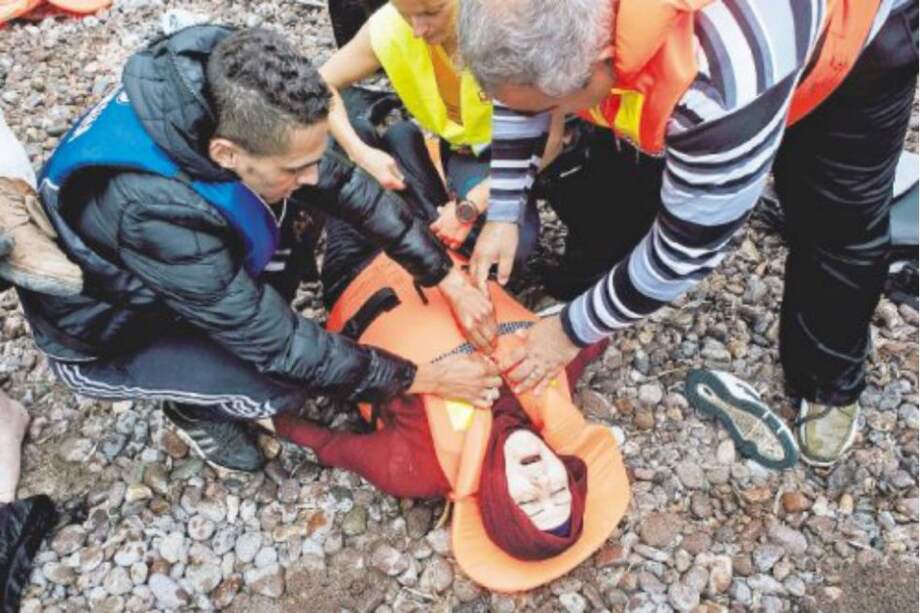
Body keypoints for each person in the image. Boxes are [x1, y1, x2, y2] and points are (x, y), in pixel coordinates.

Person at [16, 25, 505, 474]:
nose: (313, 176)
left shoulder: (240, 78)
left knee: (300, 210)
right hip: (111, 327)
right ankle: (194, 409)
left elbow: (345, 187)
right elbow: (280, 347)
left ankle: (242, 288)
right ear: (225, 153)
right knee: (280, 383)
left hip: (182, 257)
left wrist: (446, 278)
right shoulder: (151, 211)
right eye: (295, 168)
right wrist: (421, 378)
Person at [457, 0, 918, 466]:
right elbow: (520, 86)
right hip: (695, 64)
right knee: (630, 165)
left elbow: (685, 249)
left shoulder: (718, 89)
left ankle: (829, 382)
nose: (547, 114)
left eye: (552, 108)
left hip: (851, 37)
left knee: (836, 217)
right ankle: (596, 284)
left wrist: (568, 332)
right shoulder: (538, 19)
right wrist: (505, 209)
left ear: (600, 61)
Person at [276, 213, 628, 590]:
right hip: (436, 243)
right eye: (558, 491)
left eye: (530, 502)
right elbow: (590, 340)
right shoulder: (555, 385)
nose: (541, 481)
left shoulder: (417, 468)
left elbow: (328, 444)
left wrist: (252, 407)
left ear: (497, 504)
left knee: (338, 195)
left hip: (356, 272)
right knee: (401, 181)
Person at [319, 0, 565, 286]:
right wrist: (359, 152)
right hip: (472, 151)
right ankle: (404, 150)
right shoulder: (389, 28)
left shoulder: (510, 22)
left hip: (533, 145)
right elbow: (318, 85)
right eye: (406, 15)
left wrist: (471, 204)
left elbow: (551, 140)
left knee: (520, 237)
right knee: (504, 247)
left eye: (432, 13)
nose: (418, 29)